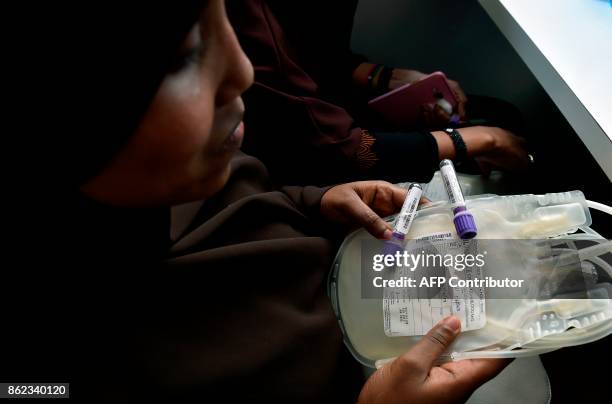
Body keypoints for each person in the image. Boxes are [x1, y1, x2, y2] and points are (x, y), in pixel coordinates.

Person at [7, 1, 508, 402]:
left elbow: (245, 208)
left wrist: (313, 203)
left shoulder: (194, 171)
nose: (243, 71)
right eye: (186, 53)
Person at [226, 0, 530, 185]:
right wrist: (481, 140)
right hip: (290, 153)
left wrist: (388, 78)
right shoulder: (245, 18)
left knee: (500, 115)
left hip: (316, 113)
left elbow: (313, 50)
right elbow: (348, 152)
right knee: (501, 131)